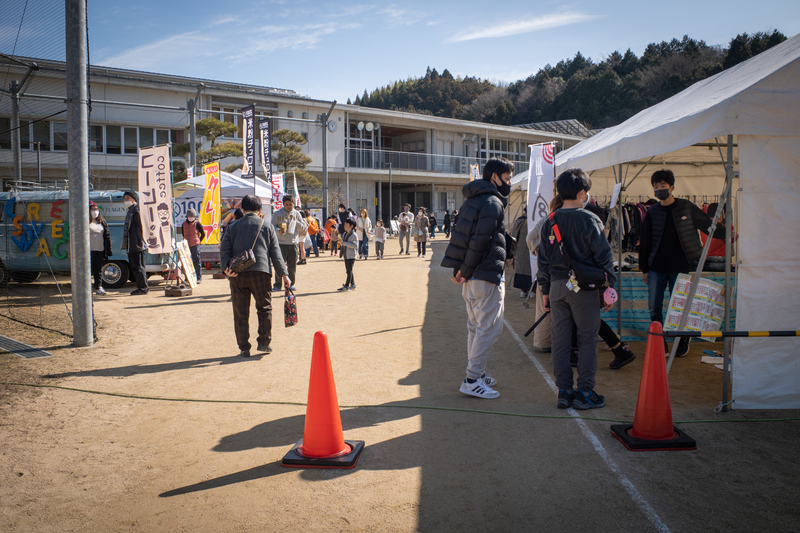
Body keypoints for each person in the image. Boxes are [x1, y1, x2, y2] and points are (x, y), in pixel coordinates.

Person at [537, 168, 616, 410]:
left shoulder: (549, 221)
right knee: (587, 339)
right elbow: (604, 256)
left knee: (560, 341)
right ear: (582, 193)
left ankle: (563, 391)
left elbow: (543, 259)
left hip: (558, 287)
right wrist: (610, 287)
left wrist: (545, 289)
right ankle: (584, 391)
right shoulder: (590, 219)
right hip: (584, 289)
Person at [442, 157, 514, 399]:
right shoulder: (493, 202)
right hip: (485, 273)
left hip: (473, 274)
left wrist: (461, 269)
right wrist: (467, 269)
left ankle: (477, 374)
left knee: (476, 327)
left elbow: (461, 236)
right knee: (489, 328)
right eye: (507, 178)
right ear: (494, 177)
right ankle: (472, 378)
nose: (509, 183)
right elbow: (479, 242)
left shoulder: (472, 200)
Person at [639, 169, 726, 357]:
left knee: (679, 307)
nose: (659, 189)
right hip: (656, 268)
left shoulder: (686, 207)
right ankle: (660, 344)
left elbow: (707, 225)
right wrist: (645, 269)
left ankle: (682, 340)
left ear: (672, 187)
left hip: (682, 266)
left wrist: (728, 234)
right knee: (654, 308)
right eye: (656, 187)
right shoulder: (652, 212)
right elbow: (644, 242)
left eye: (663, 186)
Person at [221, 194, 291, 357]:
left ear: (242, 209)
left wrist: (226, 269)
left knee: (240, 312)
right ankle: (264, 343)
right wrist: (284, 274)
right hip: (261, 272)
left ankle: (244, 347)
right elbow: (276, 252)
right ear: (260, 210)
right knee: (264, 308)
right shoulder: (266, 226)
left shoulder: (232, 227)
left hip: (238, 274)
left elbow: (224, 249)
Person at [526, 195, 565, 353]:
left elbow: (530, 238)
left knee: (545, 306)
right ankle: (554, 344)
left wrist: (537, 251)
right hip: (557, 270)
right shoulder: (553, 219)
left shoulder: (547, 219)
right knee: (559, 309)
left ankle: (543, 342)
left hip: (545, 268)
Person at [271, 195, 306, 291]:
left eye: (290, 204)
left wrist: (295, 221)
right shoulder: (277, 214)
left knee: (292, 266)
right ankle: (277, 285)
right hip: (281, 243)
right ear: (283, 204)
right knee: (279, 265)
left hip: (293, 243)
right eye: (286, 204)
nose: (288, 206)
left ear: (293, 204)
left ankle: (290, 284)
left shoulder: (297, 214)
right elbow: (272, 227)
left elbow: (303, 227)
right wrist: (278, 230)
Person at [121, 190, 148, 295]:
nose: (125, 200)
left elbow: (140, 228)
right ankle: (142, 287)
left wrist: (139, 241)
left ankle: (143, 288)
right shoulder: (131, 210)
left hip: (136, 243)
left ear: (133, 199)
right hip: (132, 243)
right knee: (137, 266)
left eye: (127, 198)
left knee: (138, 267)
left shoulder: (137, 210)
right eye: (124, 198)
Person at [89, 201, 111, 296]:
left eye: (96, 209)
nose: (95, 211)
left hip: (100, 249)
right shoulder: (85, 222)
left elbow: (107, 236)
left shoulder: (102, 222)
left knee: (98, 270)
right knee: (88, 270)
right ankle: (87, 288)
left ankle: (98, 287)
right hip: (89, 250)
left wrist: (108, 250)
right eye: (92, 209)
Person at [510, 206, 531, 298]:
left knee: (522, 270)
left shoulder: (519, 221)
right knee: (533, 271)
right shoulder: (538, 220)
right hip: (534, 251)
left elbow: (513, 237)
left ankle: (523, 291)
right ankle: (533, 292)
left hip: (521, 251)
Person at [182, 208, 206, 284]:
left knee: (197, 262)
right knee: (187, 263)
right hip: (186, 246)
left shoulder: (197, 223)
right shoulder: (184, 224)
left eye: (192, 216)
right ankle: (187, 278)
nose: (191, 218)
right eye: (189, 216)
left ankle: (198, 278)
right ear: (187, 216)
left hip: (195, 246)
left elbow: (203, 234)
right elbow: (183, 233)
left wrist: (198, 241)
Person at [338, 218, 358, 291]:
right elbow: (344, 243)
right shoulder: (345, 233)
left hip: (351, 255)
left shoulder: (354, 235)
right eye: (344, 224)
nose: (344, 225)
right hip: (346, 255)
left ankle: (346, 286)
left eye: (346, 224)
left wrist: (344, 243)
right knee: (349, 270)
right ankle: (353, 284)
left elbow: (355, 245)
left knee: (349, 270)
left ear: (351, 226)